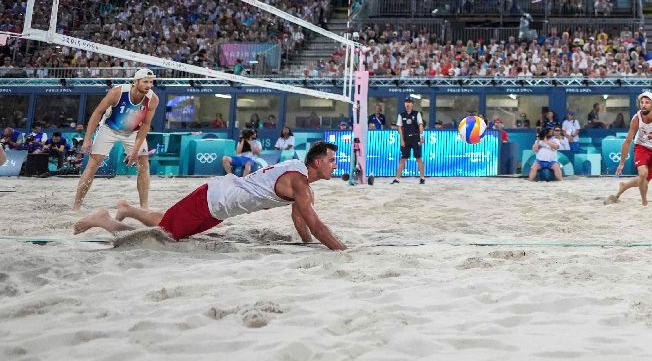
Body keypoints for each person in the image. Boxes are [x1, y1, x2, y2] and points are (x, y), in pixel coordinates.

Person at [73, 142, 346, 250]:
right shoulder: (300, 182)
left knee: (168, 223)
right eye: (332, 160)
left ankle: (127, 208)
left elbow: (301, 219)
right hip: (214, 200)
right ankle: (104, 220)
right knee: (163, 236)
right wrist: (341, 250)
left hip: (218, 207)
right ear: (318, 162)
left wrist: (308, 244)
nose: (335, 164)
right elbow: (316, 224)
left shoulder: (302, 183)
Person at [73, 69, 160, 211]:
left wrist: (135, 151)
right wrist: (87, 139)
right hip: (109, 128)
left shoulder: (153, 99)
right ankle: (76, 206)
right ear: (136, 81)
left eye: (151, 82)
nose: (149, 85)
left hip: (134, 132)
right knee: (93, 164)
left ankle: (144, 207)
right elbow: (98, 112)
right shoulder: (117, 92)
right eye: (145, 81)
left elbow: (145, 125)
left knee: (143, 165)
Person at [392, 97, 425, 184]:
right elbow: (399, 128)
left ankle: (422, 178)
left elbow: (420, 125)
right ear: (404, 104)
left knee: (418, 158)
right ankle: (397, 178)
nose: (408, 104)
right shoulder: (401, 115)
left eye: (409, 102)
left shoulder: (417, 114)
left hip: (415, 138)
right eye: (406, 102)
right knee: (403, 158)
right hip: (406, 138)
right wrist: (401, 140)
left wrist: (421, 137)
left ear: (412, 104)